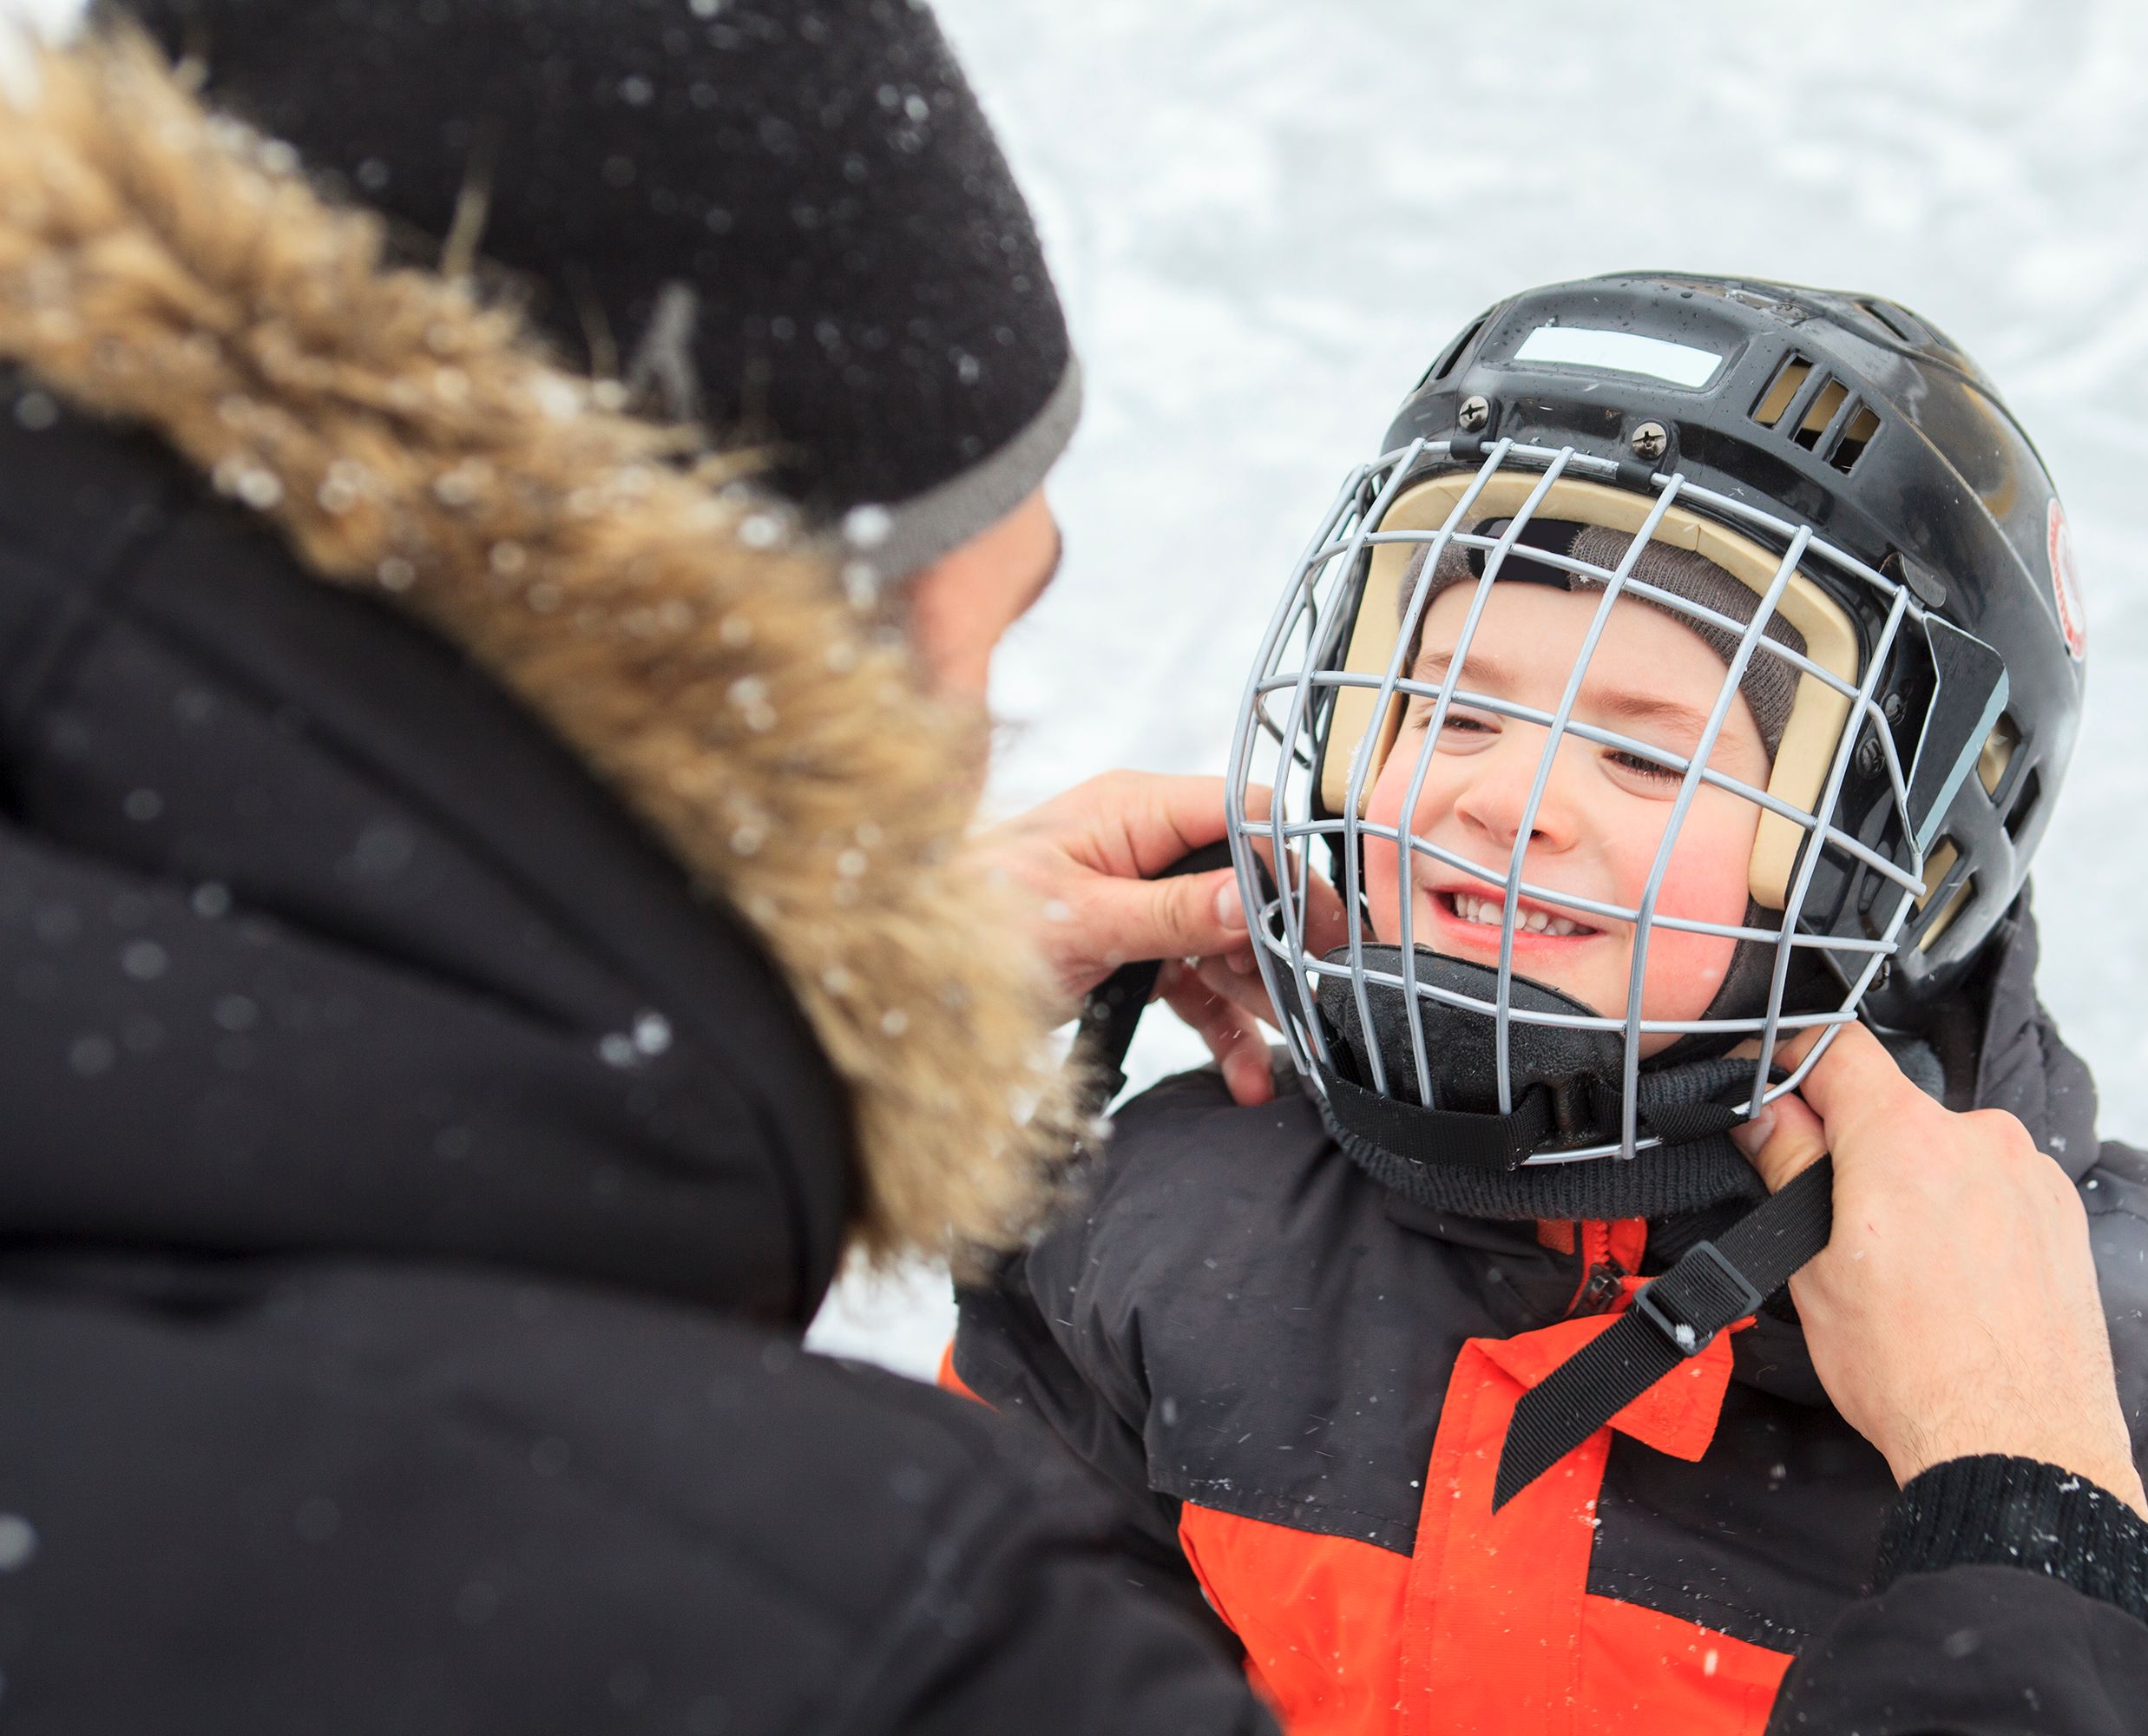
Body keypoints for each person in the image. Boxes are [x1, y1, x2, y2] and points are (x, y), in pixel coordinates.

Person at [0, 7, 1271, 1727]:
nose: (967, 753)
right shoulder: (896, 1643)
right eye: (967, 646)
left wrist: (763, 1009)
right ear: (755, 660)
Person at [952, 276, 2148, 1734]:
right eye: (1454, 711)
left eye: (1651, 759)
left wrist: (2020, 1476)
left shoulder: (2129, 1346)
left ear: (1906, 856)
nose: (1507, 799)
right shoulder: (1167, 1217)